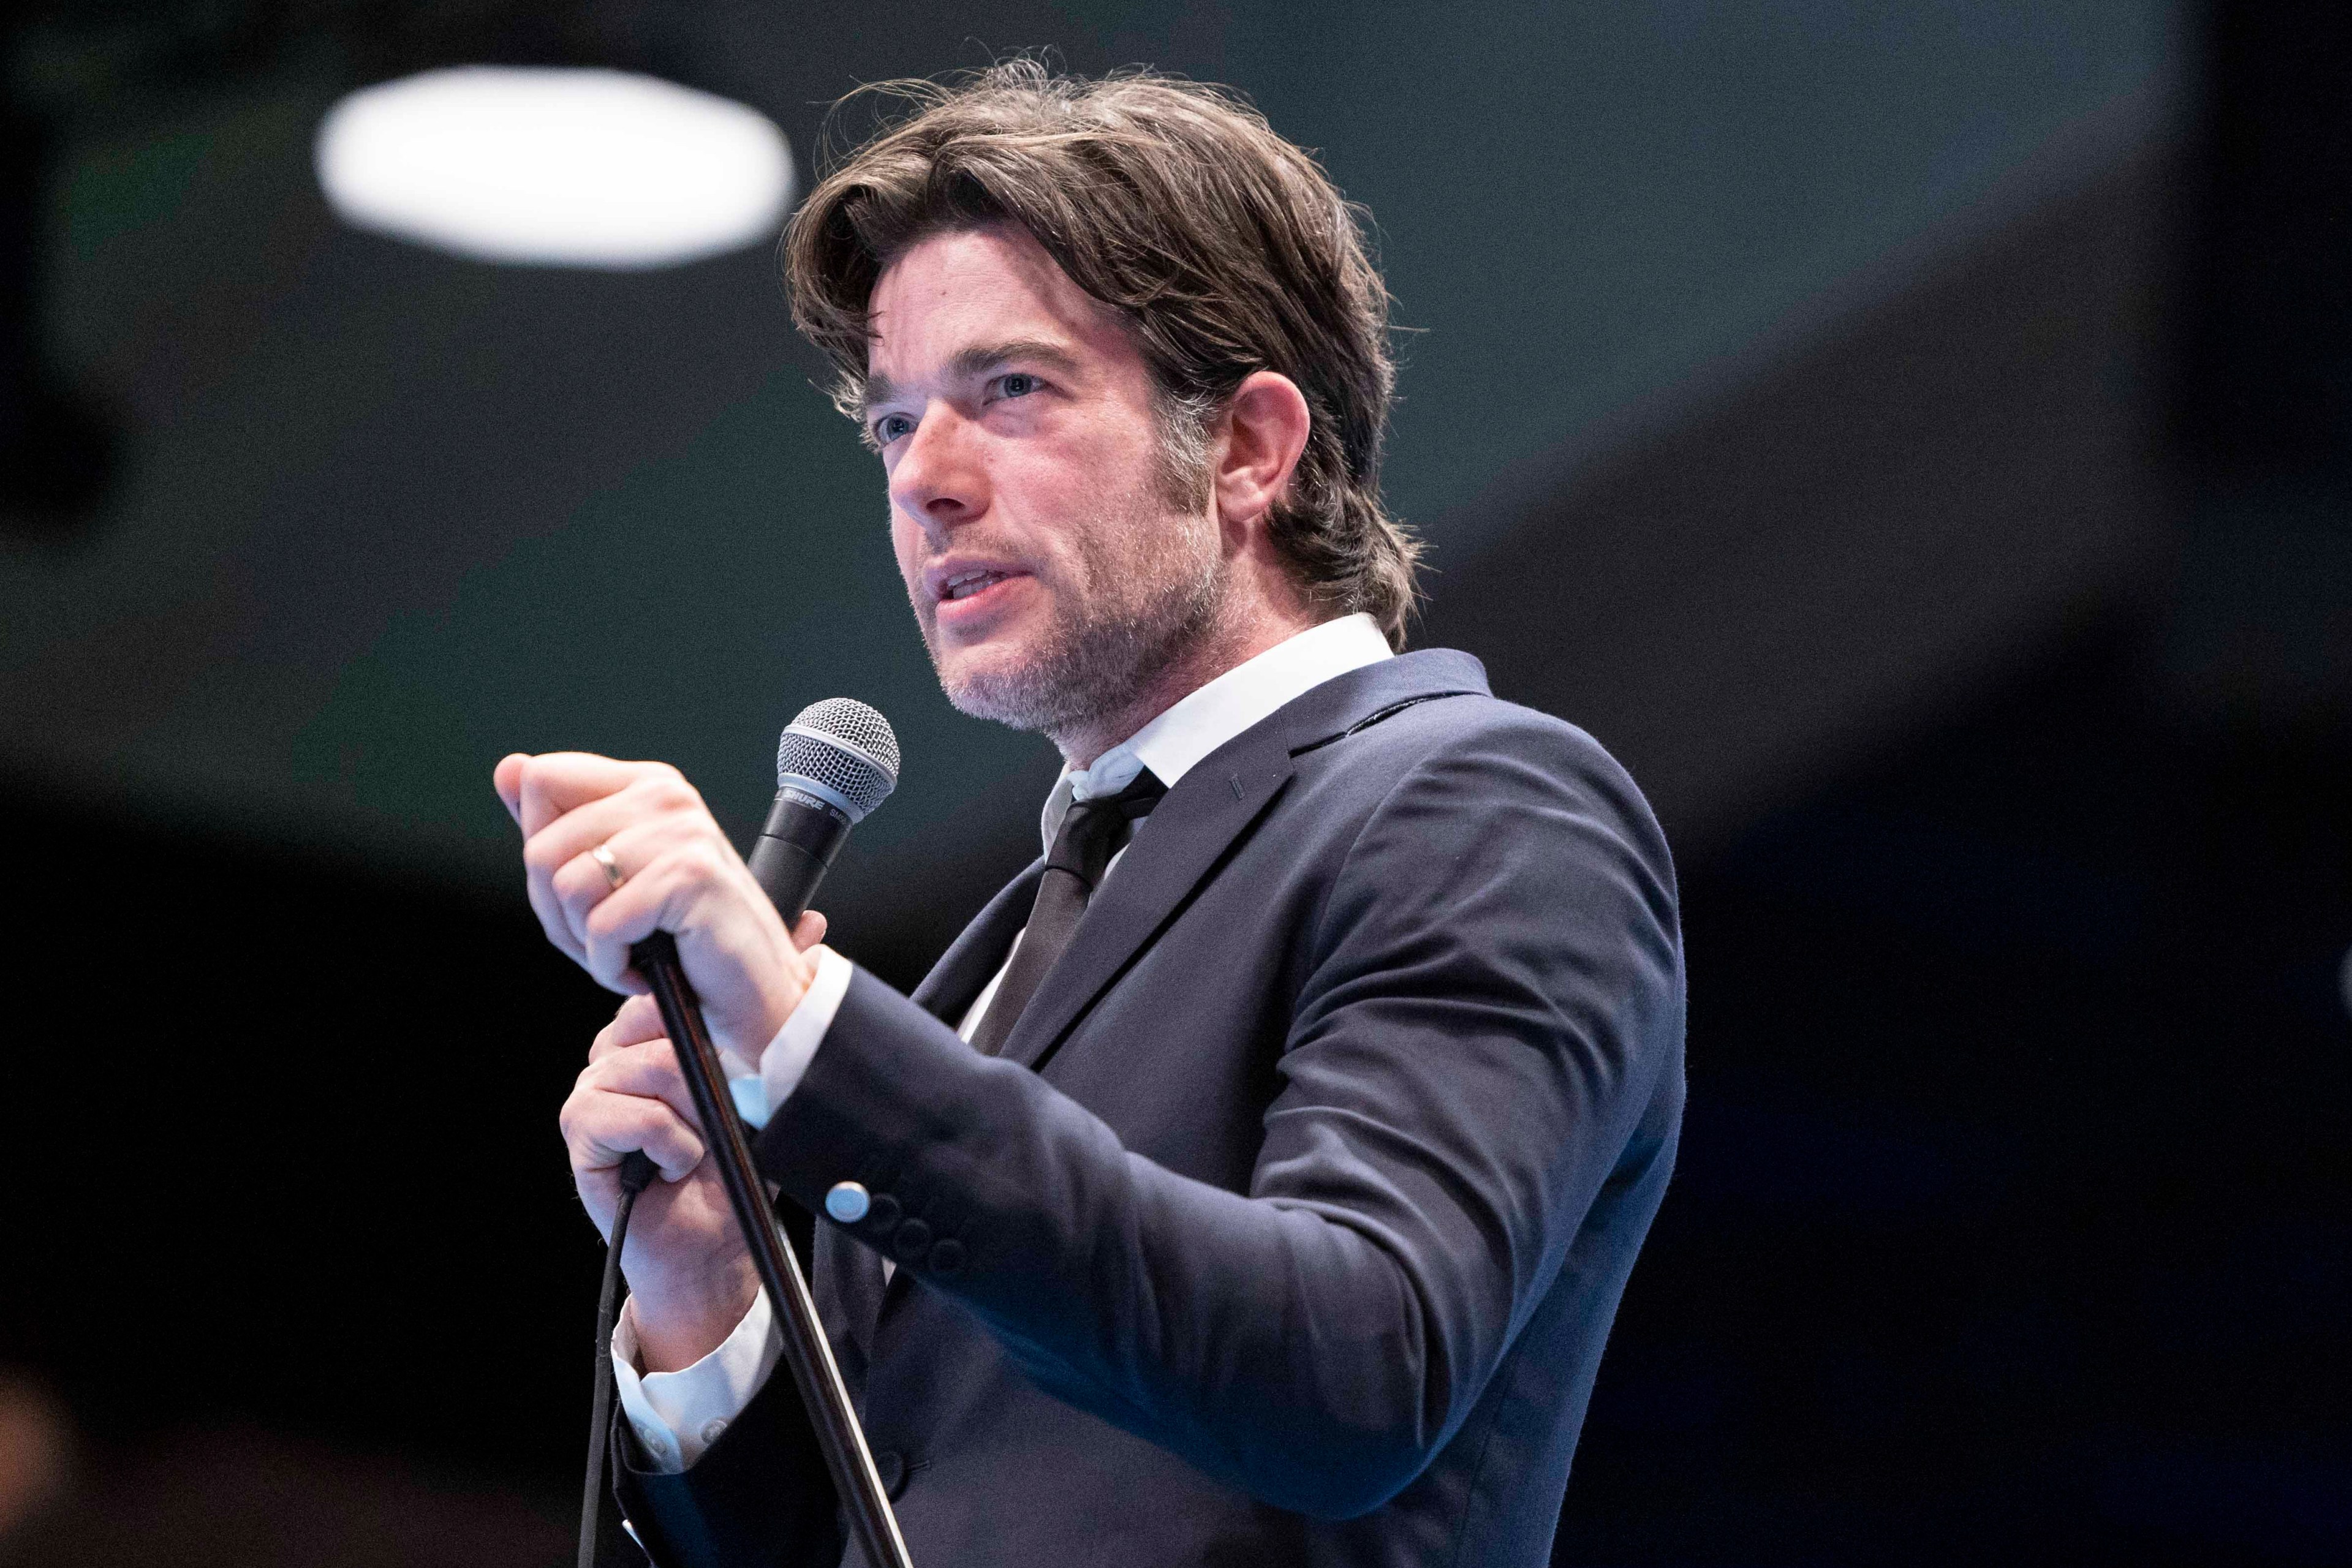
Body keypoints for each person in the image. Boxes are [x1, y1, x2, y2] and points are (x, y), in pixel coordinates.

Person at [496, 62, 1685, 1568]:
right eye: (892, 422)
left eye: (1012, 390)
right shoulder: (1004, 956)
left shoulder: (1485, 804)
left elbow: (1350, 1367)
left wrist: (806, 1032)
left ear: (1249, 448)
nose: (924, 478)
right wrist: (710, 1295)